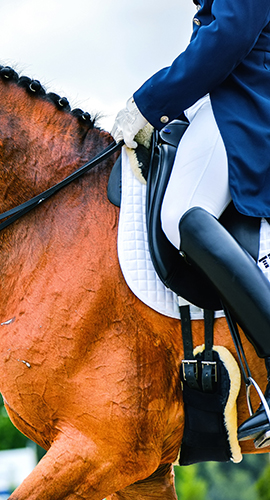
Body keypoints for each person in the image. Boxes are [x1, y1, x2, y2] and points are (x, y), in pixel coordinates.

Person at [111, 0, 270, 447]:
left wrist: (152, 102)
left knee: (181, 213)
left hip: (249, 101)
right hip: (233, 95)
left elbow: (231, 35)